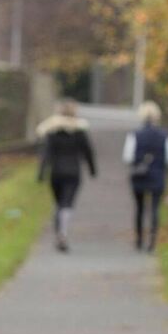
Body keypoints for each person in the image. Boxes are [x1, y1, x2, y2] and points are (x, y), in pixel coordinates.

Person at [37, 99, 97, 252]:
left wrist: (41, 173)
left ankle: (59, 232)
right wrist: (92, 170)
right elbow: (88, 152)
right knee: (67, 203)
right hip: (73, 172)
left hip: (56, 172)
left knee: (59, 203)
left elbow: (46, 153)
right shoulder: (79, 132)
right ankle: (62, 232)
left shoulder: (53, 132)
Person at [124, 101, 168, 252]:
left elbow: (128, 156)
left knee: (140, 208)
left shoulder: (135, 134)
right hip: (158, 175)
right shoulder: (165, 135)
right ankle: (152, 240)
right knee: (155, 208)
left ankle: (139, 239)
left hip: (139, 175)